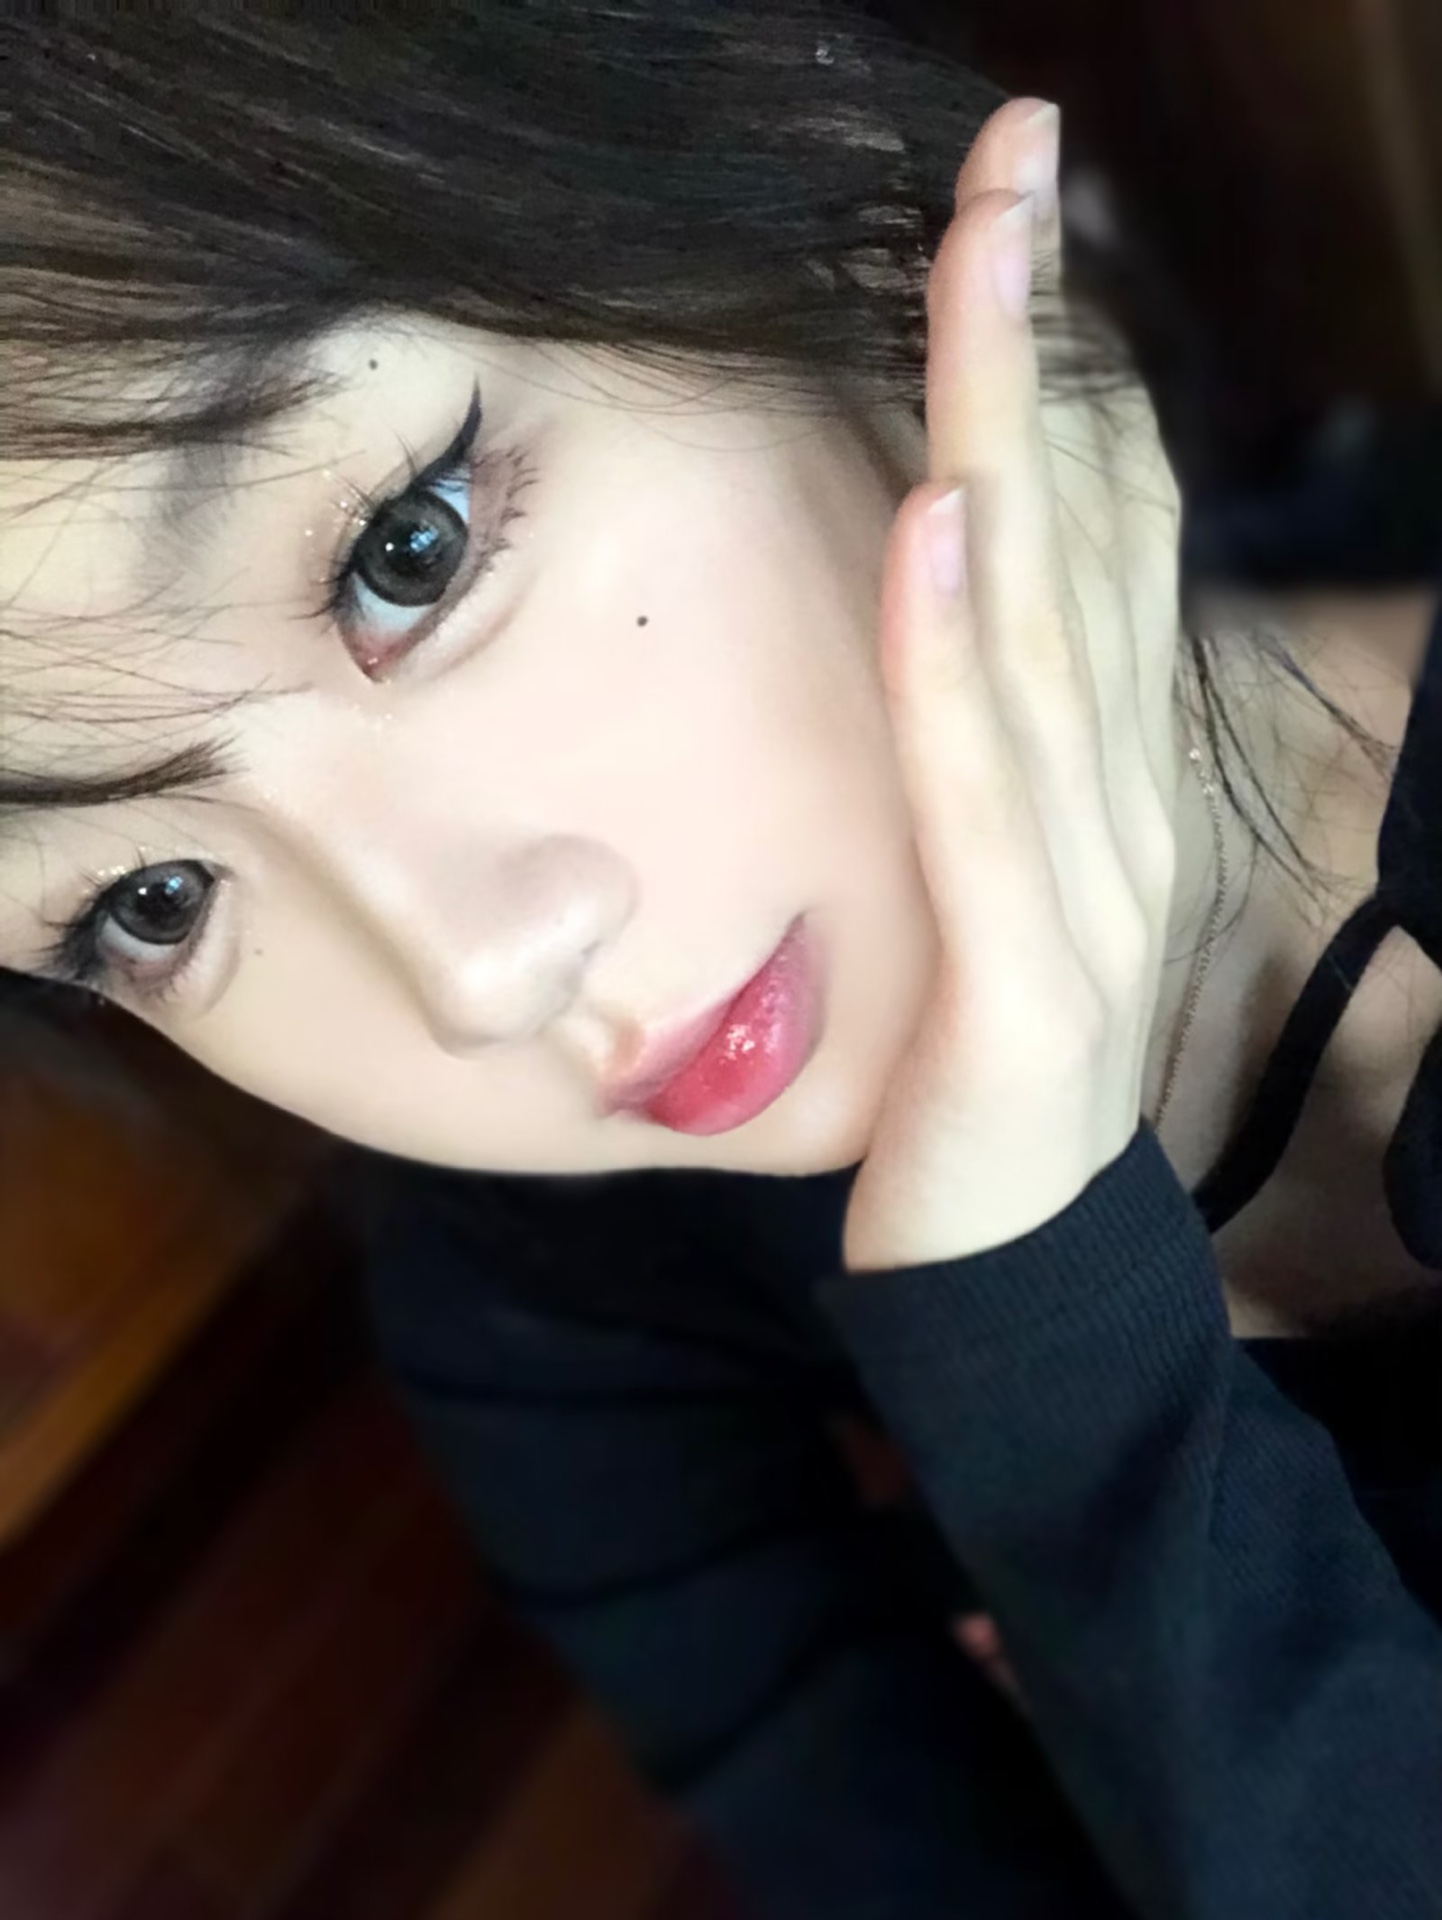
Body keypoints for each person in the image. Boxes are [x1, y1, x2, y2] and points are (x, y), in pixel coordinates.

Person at [0, 9, 1437, 1916]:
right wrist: (1046, 1330)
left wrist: (1157, 1732)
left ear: (802, 188)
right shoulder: (540, 1306)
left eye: (407, 551)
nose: (477, 978)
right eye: (149, 901)